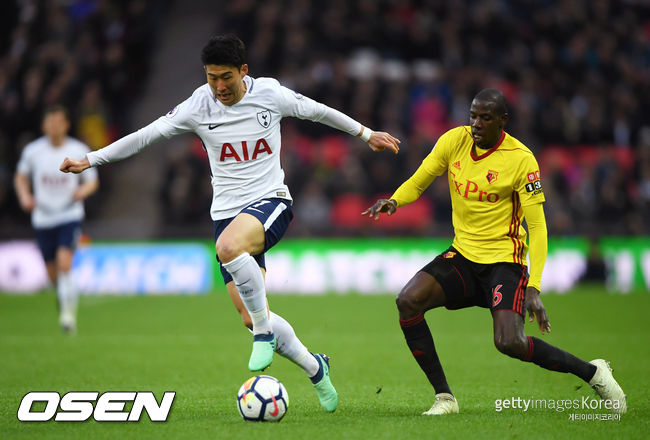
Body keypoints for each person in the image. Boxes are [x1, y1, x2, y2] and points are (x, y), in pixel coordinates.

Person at [60, 34, 400, 412]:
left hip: (271, 201)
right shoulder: (198, 105)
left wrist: (366, 134)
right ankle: (315, 367)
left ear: (243, 71)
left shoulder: (270, 94)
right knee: (249, 315)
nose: (219, 86)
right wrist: (91, 159)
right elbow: (147, 135)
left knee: (229, 252)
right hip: (226, 214)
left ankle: (264, 335)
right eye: (212, 78)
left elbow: (317, 111)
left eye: (226, 77)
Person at [363, 88, 626, 415]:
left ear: (503, 120)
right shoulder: (453, 141)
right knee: (408, 301)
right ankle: (445, 397)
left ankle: (593, 373)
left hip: (505, 262)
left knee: (509, 343)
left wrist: (534, 286)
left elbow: (538, 228)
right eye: (473, 116)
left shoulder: (520, 159)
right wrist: (394, 201)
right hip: (463, 256)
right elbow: (419, 181)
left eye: (485, 118)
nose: (476, 123)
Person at [15, 105, 99, 333]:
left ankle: (68, 317)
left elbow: (92, 181)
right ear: (44, 125)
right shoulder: (33, 151)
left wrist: (82, 191)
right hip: (43, 217)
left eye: (58, 122)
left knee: (64, 263)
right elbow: (21, 177)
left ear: (66, 125)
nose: (54, 127)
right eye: (50, 122)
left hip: (69, 214)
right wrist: (24, 196)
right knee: (52, 274)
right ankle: (65, 297)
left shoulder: (78, 149)